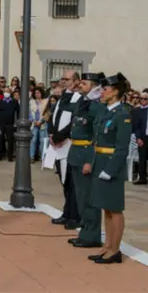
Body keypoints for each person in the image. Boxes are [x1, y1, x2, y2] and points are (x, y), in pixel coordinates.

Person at [87, 73, 132, 264]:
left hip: (111, 166)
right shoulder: (105, 111)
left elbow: (122, 148)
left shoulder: (122, 115)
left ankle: (115, 250)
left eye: (105, 89)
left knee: (115, 209)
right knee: (106, 208)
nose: (102, 92)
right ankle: (107, 246)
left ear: (116, 92)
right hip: (100, 163)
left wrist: (110, 169)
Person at [67, 72, 106, 249]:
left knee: (88, 198)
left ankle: (92, 235)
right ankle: (85, 232)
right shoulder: (83, 103)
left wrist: (90, 160)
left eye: (83, 83)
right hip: (76, 152)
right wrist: (72, 90)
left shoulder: (96, 106)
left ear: (94, 86)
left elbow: (96, 136)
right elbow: (66, 106)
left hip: (85, 154)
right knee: (80, 197)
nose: (80, 85)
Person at [48, 70, 81, 229]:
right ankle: (67, 212)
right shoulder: (62, 97)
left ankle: (74, 216)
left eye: (66, 79)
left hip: (69, 144)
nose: (63, 81)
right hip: (57, 144)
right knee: (64, 181)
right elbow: (53, 115)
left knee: (72, 182)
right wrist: (51, 134)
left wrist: (60, 137)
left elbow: (74, 121)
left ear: (76, 81)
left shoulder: (79, 99)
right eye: (62, 79)